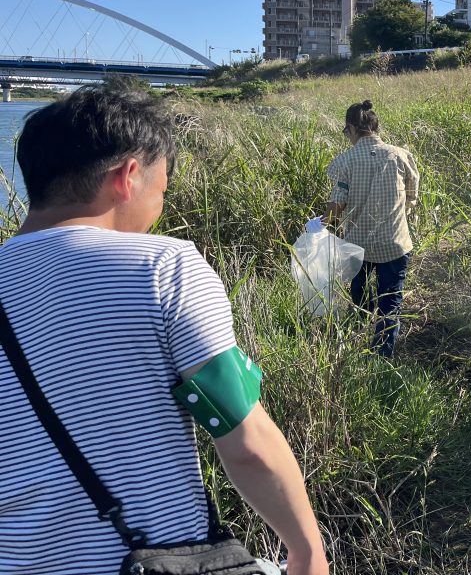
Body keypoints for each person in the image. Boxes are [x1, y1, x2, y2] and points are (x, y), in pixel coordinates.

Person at [0, 81, 327, 575]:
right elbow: (247, 443)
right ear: (128, 175)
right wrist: (307, 550)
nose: (159, 210)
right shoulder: (162, 266)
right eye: (162, 189)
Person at [326, 100, 419, 358]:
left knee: (360, 300)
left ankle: (355, 348)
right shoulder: (401, 155)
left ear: (352, 129)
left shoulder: (346, 160)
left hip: (359, 247)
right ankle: (382, 356)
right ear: (376, 128)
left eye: (346, 133)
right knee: (391, 304)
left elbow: (337, 204)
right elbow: (412, 194)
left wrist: (320, 226)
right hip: (396, 243)